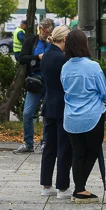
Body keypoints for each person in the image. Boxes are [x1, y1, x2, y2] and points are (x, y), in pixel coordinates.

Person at [60, 29, 106, 203]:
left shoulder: (65, 68)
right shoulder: (93, 66)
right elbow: (103, 92)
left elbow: (64, 88)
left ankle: (79, 188)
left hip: (71, 117)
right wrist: (104, 99)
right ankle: (80, 189)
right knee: (92, 151)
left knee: (77, 152)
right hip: (92, 116)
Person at [39, 25, 73, 198]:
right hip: (62, 107)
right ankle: (63, 186)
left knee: (49, 147)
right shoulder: (62, 59)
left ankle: (46, 185)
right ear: (65, 39)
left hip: (49, 105)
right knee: (63, 147)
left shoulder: (46, 55)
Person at [14, 18, 55, 154]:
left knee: (48, 114)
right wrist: (37, 57)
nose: (45, 33)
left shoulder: (54, 42)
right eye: (43, 30)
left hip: (50, 82)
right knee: (27, 113)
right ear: (39, 28)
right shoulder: (31, 41)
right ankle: (28, 143)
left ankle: (46, 142)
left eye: (48, 31)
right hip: (35, 81)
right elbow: (22, 58)